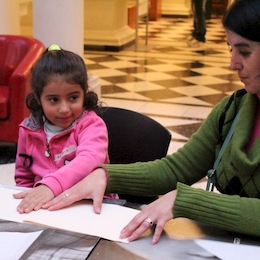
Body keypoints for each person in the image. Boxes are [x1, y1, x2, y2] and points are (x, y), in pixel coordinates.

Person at [43, 0, 260, 245]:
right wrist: (105, 175)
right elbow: (177, 169)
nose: (233, 64)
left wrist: (185, 201)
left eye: (244, 51)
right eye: (231, 50)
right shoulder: (233, 110)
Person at [13, 44, 117, 214]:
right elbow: (24, 177)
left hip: (90, 207)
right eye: (53, 100)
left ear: (84, 93)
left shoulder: (91, 125)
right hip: (47, 209)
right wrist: (29, 202)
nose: (64, 108)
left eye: (73, 98)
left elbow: (89, 160)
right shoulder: (28, 130)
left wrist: (51, 186)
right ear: (39, 99)